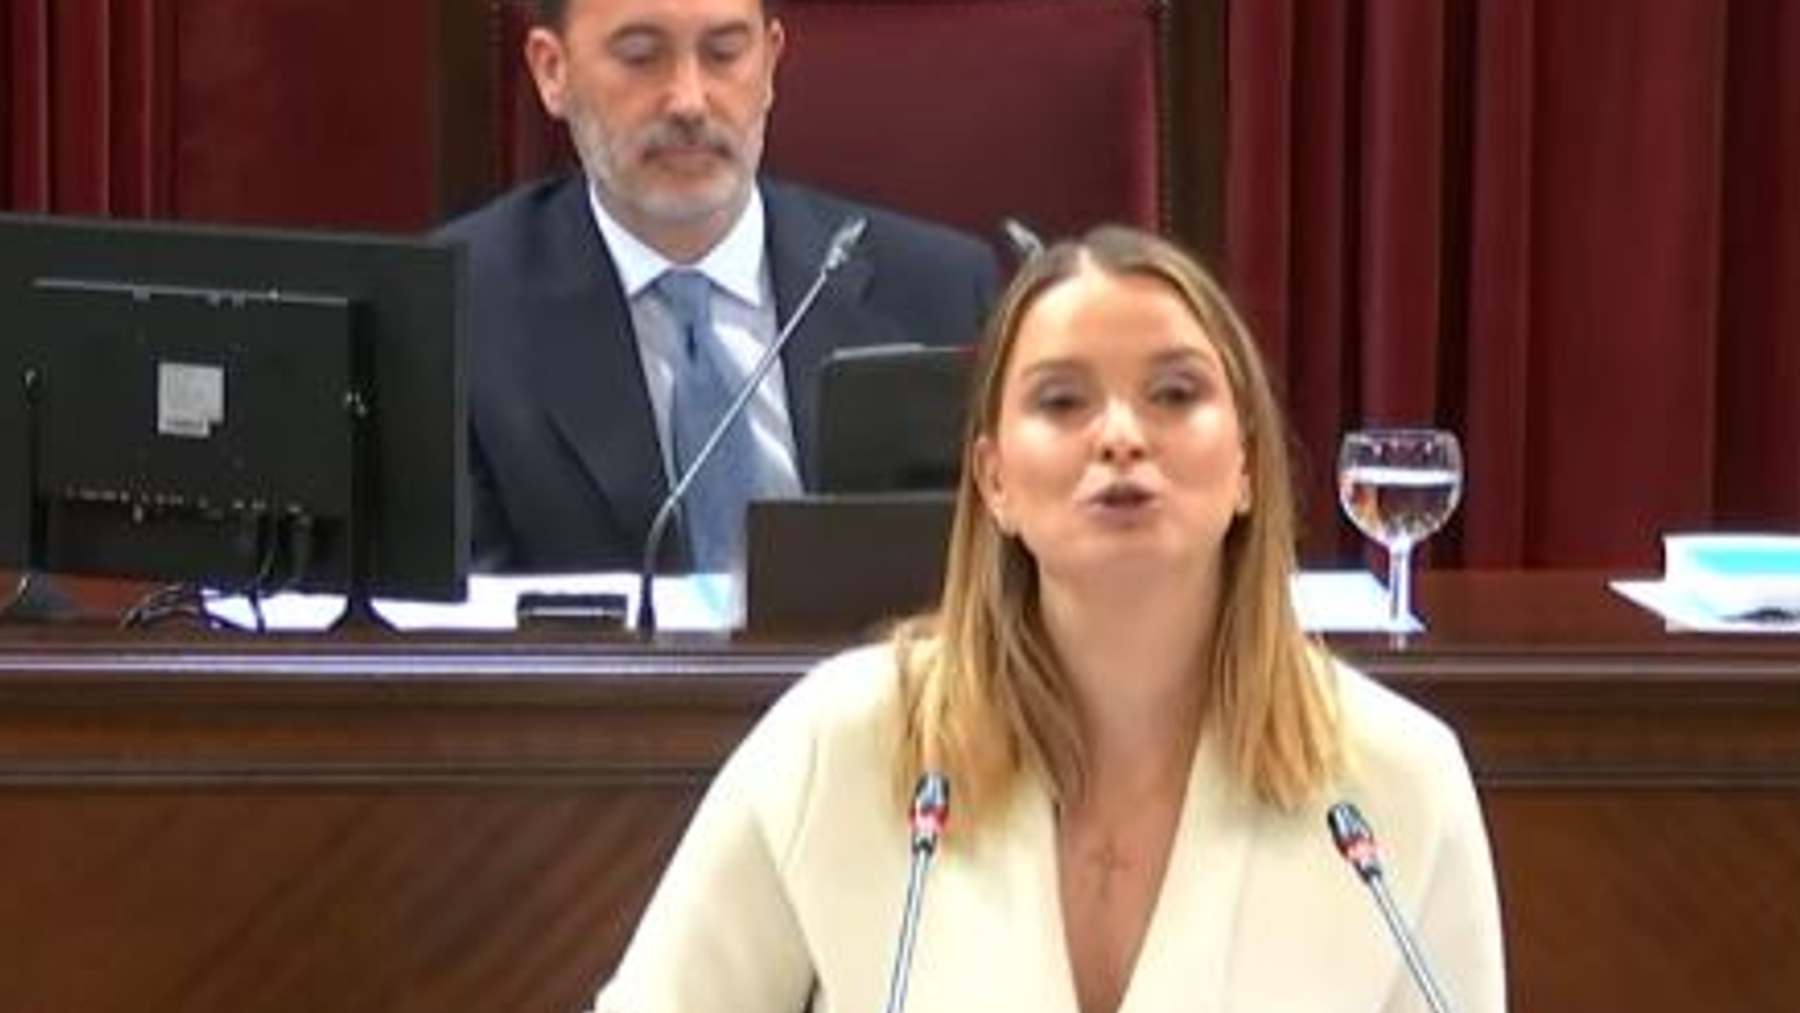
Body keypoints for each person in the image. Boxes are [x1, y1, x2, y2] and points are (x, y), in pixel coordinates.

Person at [589, 226, 1506, 1011]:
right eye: (1062, 401)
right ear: (993, 479)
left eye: (1176, 393)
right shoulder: (839, 744)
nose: (1119, 434)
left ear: (1247, 470)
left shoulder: (1397, 782)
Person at [438, 0, 999, 573]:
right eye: (641, 57)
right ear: (552, 71)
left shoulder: (940, 293)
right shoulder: (454, 310)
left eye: (724, 54)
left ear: (770, 64)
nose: (689, 101)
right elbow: (454, 627)